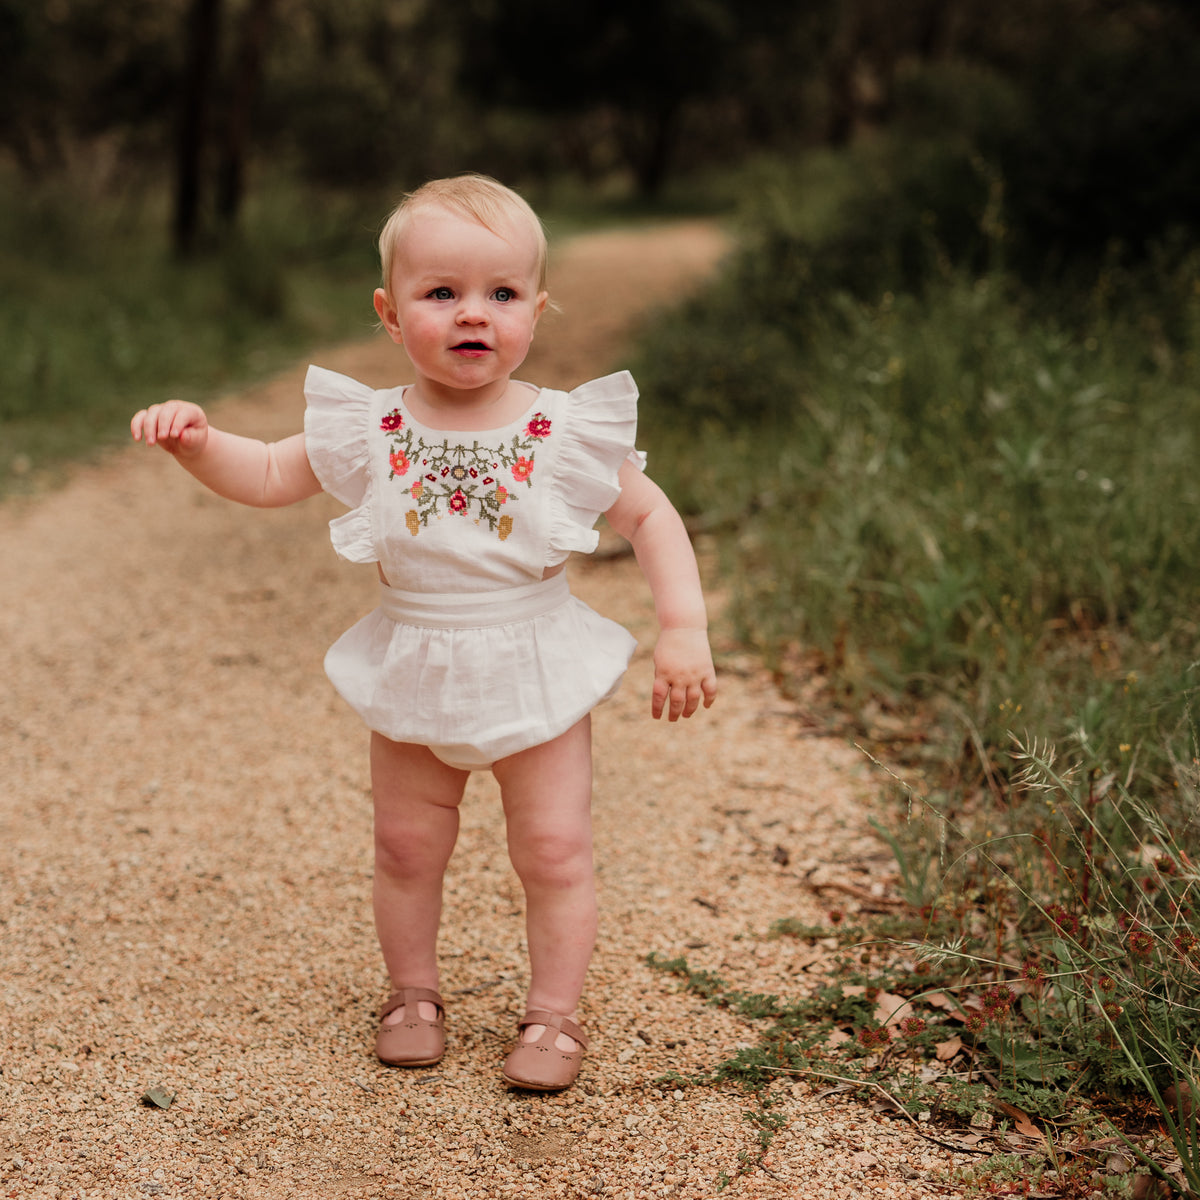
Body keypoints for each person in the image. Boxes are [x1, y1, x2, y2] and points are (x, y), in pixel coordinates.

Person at [131, 174, 716, 1092]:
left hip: (534, 660)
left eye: (502, 294)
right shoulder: (373, 426)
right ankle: (412, 992)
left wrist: (682, 624)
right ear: (391, 314)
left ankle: (553, 1015)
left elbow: (650, 517)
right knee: (406, 846)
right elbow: (274, 471)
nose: (471, 313)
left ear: (537, 307)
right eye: (441, 293)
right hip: (413, 660)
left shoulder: (561, 431)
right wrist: (200, 443)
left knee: (554, 849)